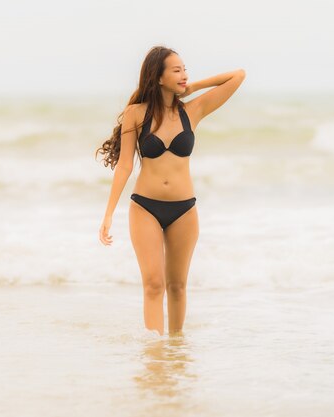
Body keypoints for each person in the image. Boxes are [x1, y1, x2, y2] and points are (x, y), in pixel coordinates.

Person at [95, 45, 246, 336]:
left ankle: (175, 352)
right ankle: (154, 353)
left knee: (177, 286)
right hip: (145, 208)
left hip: (184, 209)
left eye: (185, 69)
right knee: (154, 285)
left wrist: (192, 87)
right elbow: (125, 165)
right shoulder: (135, 114)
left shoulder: (193, 110)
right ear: (158, 77)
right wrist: (108, 214)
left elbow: (238, 76)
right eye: (177, 70)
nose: (184, 74)